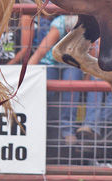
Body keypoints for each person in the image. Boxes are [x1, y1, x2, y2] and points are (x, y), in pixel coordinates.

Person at [28, 14, 83, 145]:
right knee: (41, 89)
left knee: (72, 86)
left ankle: (68, 131)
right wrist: (27, 72)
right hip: (50, 62)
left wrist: (86, 75)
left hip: (72, 63)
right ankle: (34, 127)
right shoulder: (59, 24)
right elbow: (41, 51)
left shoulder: (87, 27)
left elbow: (90, 56)